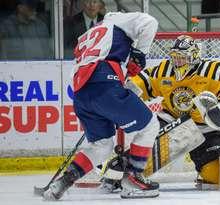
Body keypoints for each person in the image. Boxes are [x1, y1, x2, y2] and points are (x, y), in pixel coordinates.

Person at [102, 35, 220, 190]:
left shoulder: (214, 71)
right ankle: (122, 167)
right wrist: (119, 97)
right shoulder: (163, 70)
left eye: (182, 58)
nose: (177, 62)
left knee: (218, 178)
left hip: (206, 128)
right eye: (175, 57)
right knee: (137, 165)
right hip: (171, 124)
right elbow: (141, 84)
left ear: (194, 56)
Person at [42, 11, 159, 200]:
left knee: (102, 146)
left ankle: (62, 183)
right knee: (150, 125)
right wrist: (139, 54)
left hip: (81, 93)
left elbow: (93, 61)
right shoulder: (118, 20)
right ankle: (133, 180)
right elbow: (150, 21)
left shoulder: (87, 35)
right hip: (105, 83)